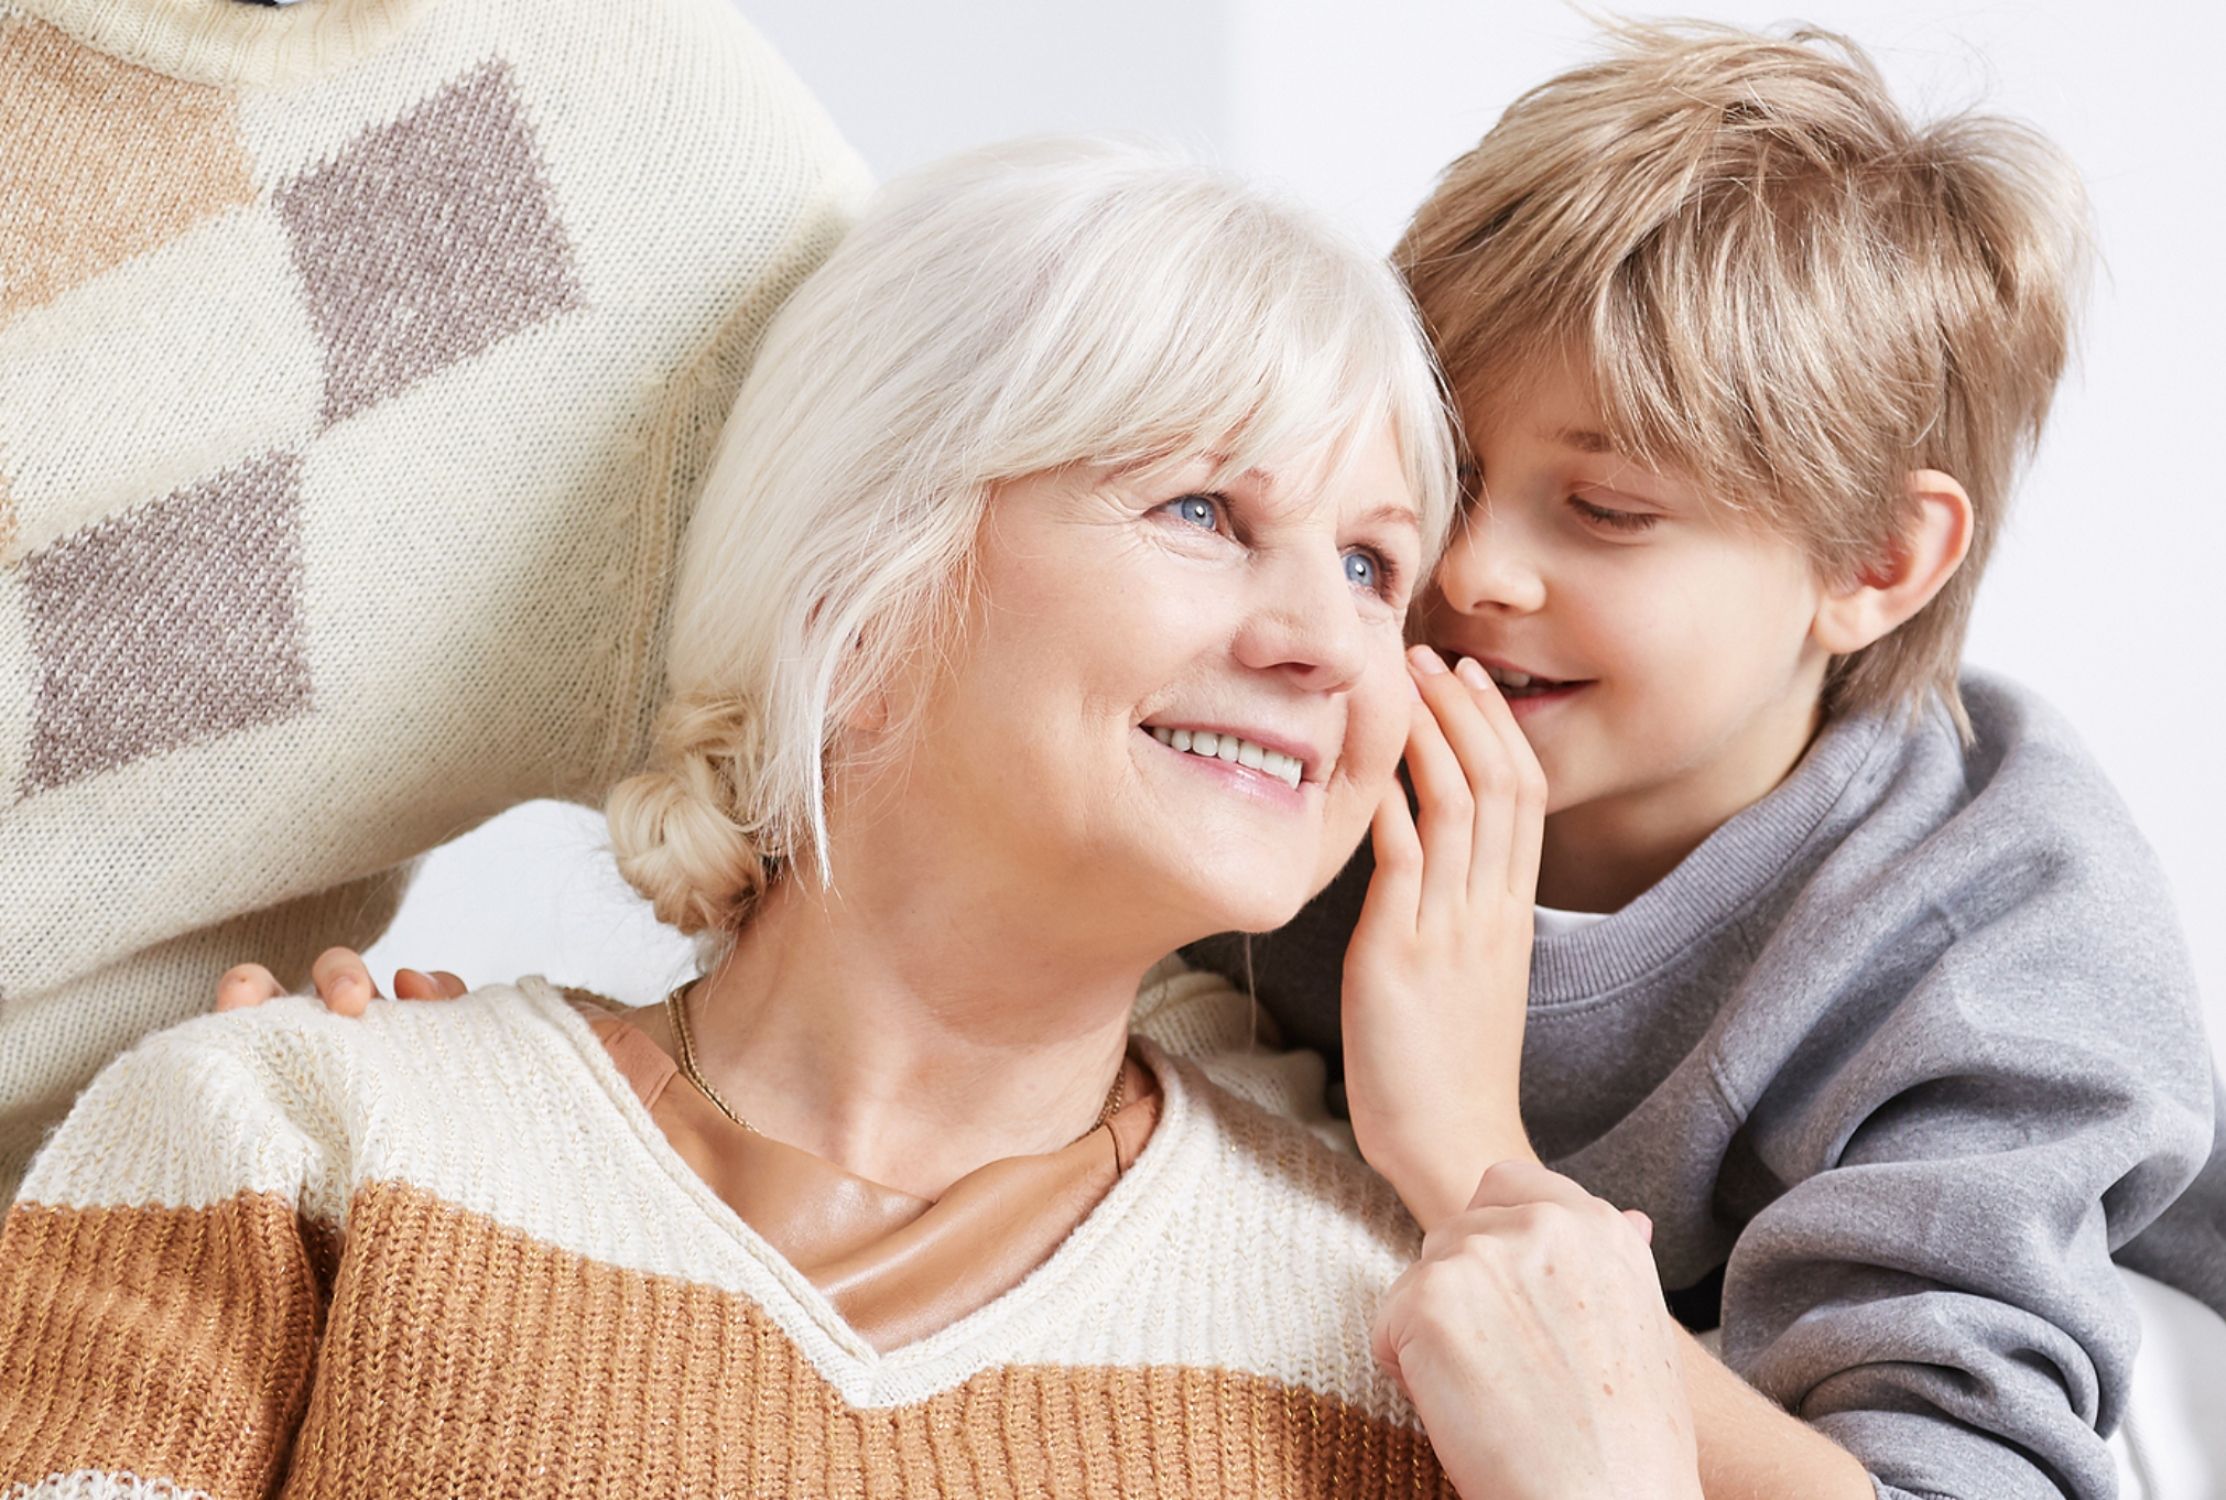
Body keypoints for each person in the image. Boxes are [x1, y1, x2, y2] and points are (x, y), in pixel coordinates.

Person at [0, 140, 1699, 1499]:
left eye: (1368, 564)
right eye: (1199, 506)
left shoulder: (1404, 1350)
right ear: (860, 594)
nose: (1330, 642)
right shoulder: (290, 1135)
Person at [1179, 22, 2219, 1500]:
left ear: (1873, 559)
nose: (1469, 570)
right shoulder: (1302, 711)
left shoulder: (2005, 944)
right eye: (1446, 470)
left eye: (1603, 510)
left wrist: (1470, 1151)